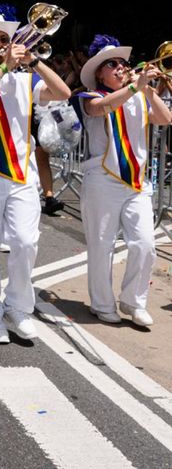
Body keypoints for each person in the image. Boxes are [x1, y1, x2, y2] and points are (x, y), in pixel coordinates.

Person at [0, 7, 71, 344]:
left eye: (4, 39)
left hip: (21, 173)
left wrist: (33, 61)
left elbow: (63, 93)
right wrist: (5, 66)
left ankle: (18, 307)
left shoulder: (26, 78)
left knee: (25, 241)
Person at [76, 36, 171, 328]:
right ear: (98, 74)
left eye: (123, 63)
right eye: (112, 64)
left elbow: (165, 118)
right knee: (101, 246)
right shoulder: (89, 96)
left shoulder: (139, 94)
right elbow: (101, 109)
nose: (120, 67)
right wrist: (134, 87)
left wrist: (150, 90)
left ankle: (134, 301)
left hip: (136, 183)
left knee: (145, 244)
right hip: (102, 181)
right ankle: (102, 304)